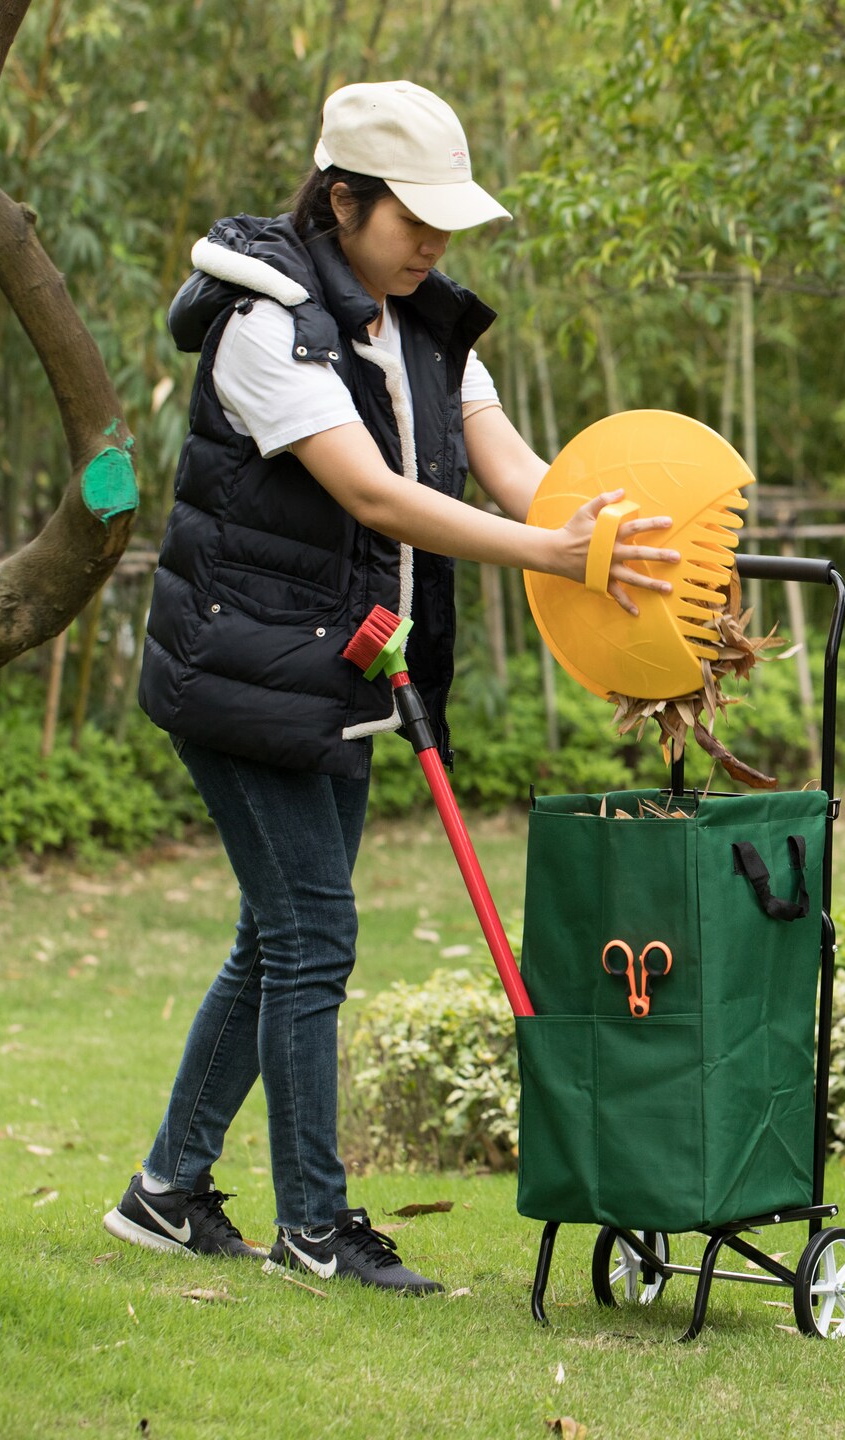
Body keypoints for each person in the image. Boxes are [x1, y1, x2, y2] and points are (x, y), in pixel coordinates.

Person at [102, 81, 678, 1293]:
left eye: (445, 222)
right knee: (315, 935)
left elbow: (509, 465)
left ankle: (165, 1193)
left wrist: (614, 537)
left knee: (278, 937)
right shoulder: (270, 326)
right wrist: (549, 556)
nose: (432, 243)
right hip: (239, 668)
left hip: (343, 671)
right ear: (342, 198)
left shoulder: (420, 318)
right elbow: (373, 493)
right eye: (410, 218)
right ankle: (316, 1227)